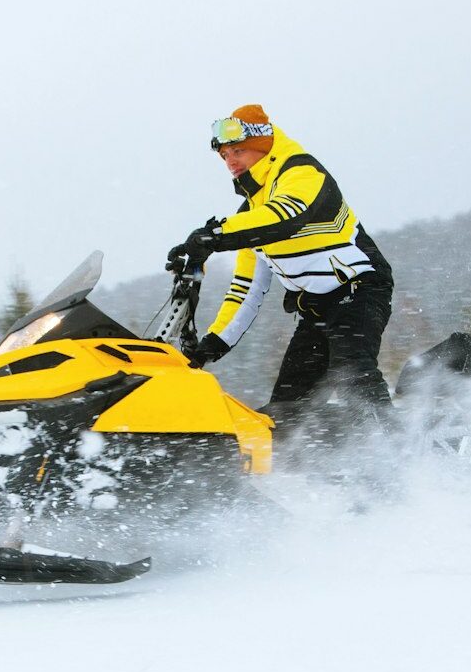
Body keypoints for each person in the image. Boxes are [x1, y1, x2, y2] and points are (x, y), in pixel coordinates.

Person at [166, 104, 398, 451]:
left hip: (358, 289)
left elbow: (286, 216)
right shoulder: (251, 215)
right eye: (225, 155)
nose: (230, 161)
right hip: (316, 308)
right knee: (289, 405)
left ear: (264, 143)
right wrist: (209, 347)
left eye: (238, 150)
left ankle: (403, 456)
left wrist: (213, 236)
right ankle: (306, 475)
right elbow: (246, 289)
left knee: (352, 370)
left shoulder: (301, 171)